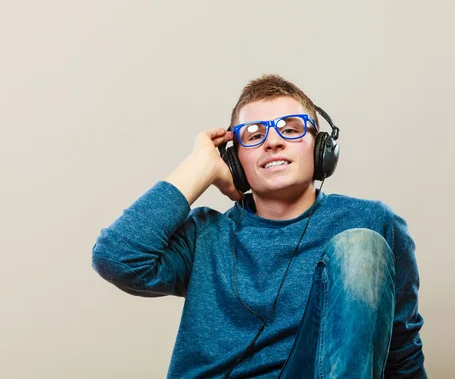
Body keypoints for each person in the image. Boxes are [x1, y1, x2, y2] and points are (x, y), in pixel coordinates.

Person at [91, 74, 427, 378]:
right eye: (254, 135)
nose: (273, 142)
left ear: (322, 148)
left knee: (360, 249)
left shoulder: (370, 222)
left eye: (291, 129)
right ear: (235, 159)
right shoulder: (204, 235)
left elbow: (401, 354)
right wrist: (199, 167)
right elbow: (116, 257)